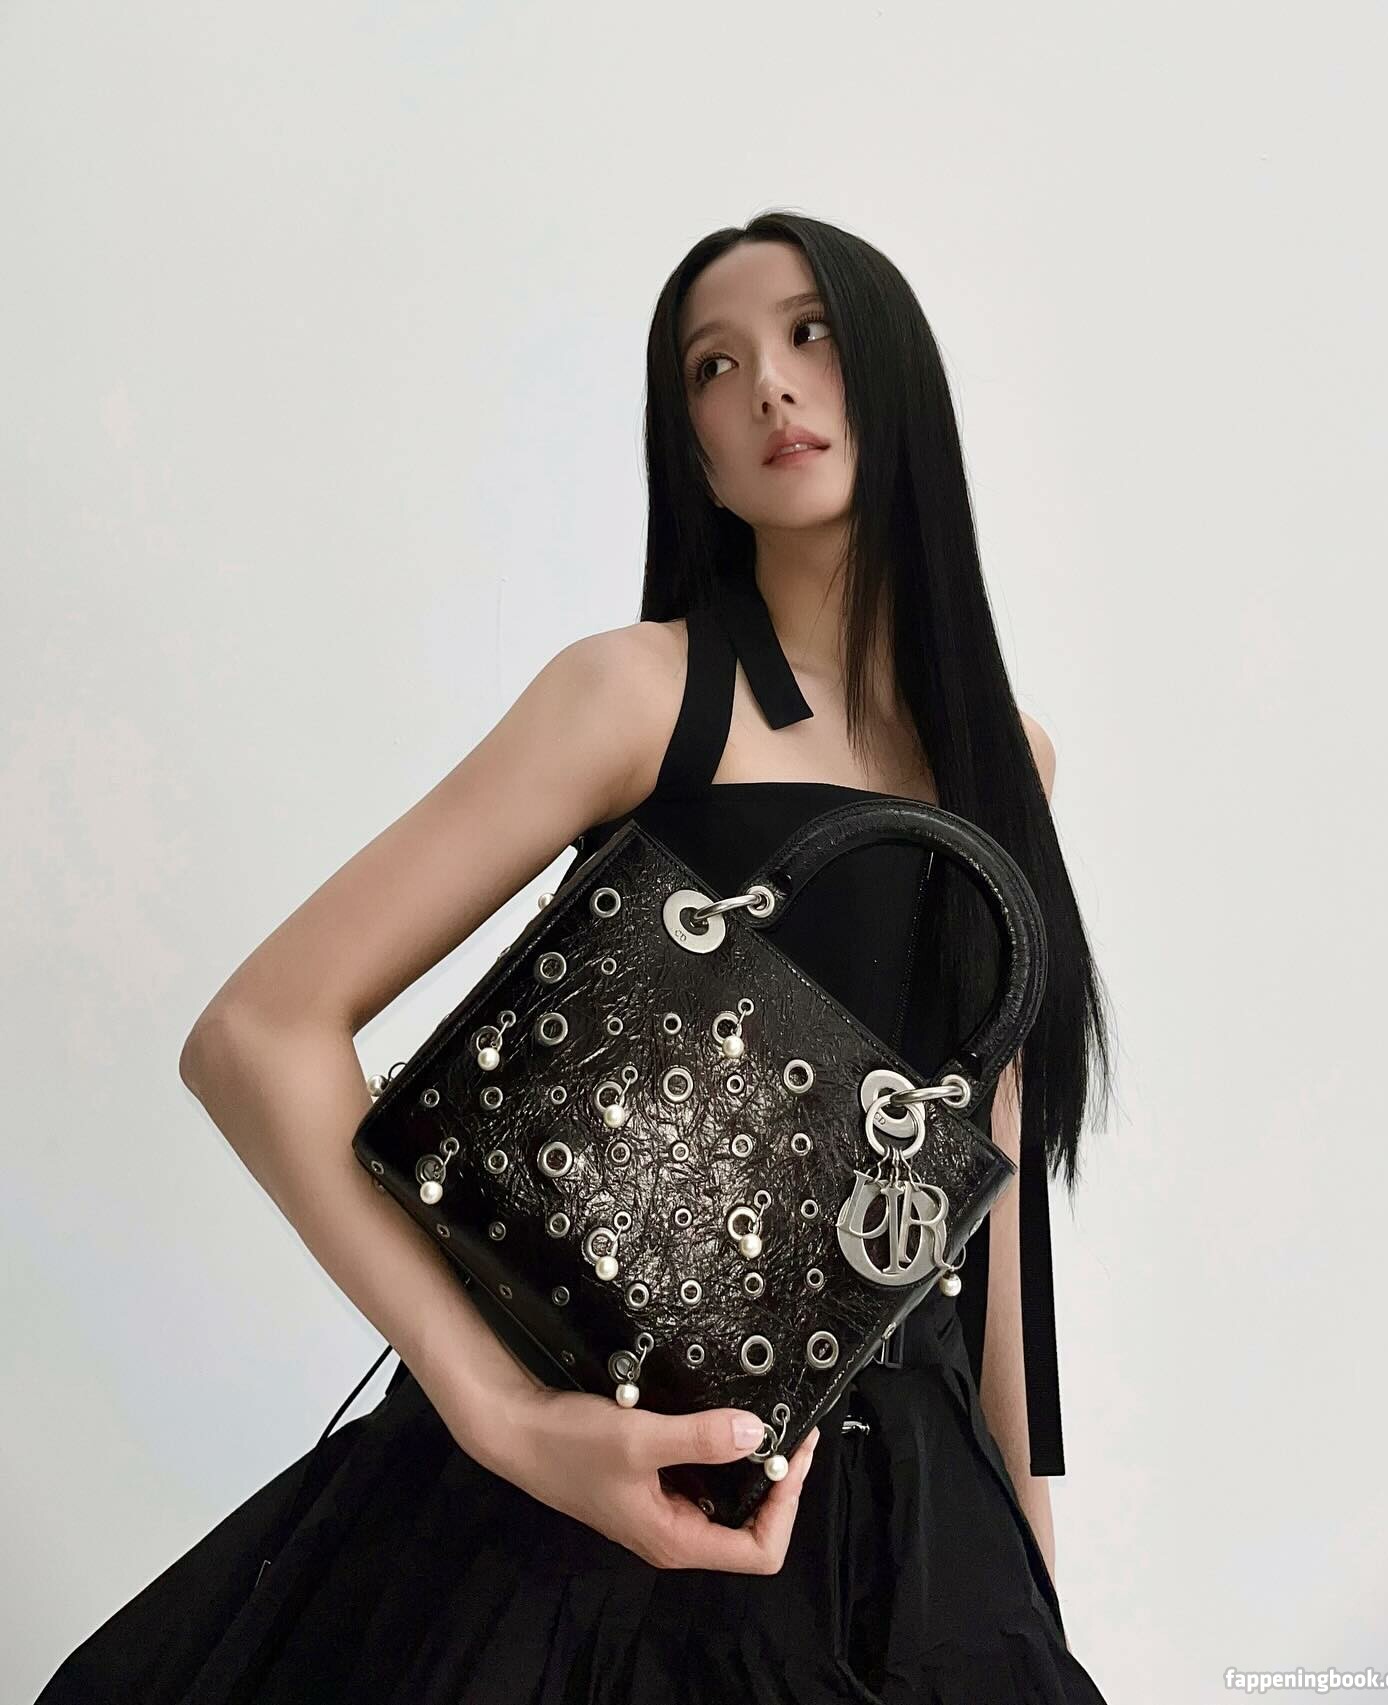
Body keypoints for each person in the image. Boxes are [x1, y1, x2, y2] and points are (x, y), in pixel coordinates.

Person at [37, 210, 1115, 1703]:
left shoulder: (1013, 759)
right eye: (712, 367)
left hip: (917, 1534)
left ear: (898, 370)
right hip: (593, 1507)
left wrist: (1033, 1560)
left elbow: (991, 1198)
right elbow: (259, 1035)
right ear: (697, 453)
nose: (769, 386)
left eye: (809, 333)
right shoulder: (636, 694)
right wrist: (500, 1414)